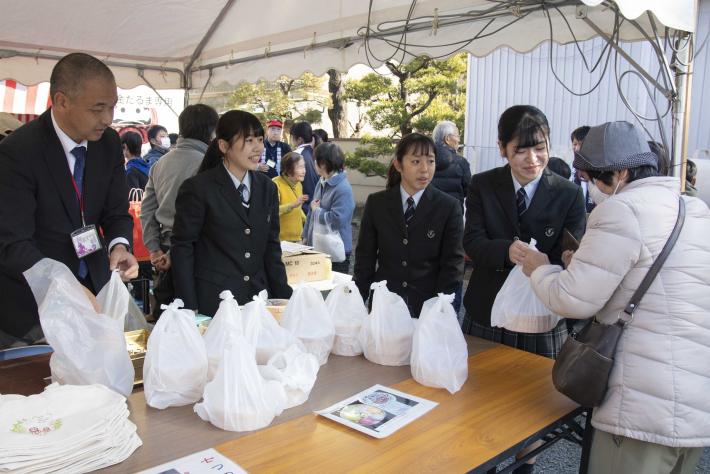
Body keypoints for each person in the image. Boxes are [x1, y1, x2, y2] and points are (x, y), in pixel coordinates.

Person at [522, 121, 710, 474]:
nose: (591, 186)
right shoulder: (693, 211)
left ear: (621, 172)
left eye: (594, 178)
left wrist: (539, 268)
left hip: (643, 405)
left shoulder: (622, 210)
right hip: (696, 400)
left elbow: (571, 299)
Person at [0, 52, 138, 347]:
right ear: (61, 101)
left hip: (95, 290)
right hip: (35, 308)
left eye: (112, 107)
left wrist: (119, 245)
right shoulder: (19, 152)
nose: (107, 119)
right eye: (97, 108)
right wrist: (63, 285)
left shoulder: (108, 143)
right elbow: (12, 244)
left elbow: (116, 210)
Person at [461, 105, 586, 355]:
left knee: (540, 391)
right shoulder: (483, 184)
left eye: (540, 148)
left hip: (542, 314)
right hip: (488, 308)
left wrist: (554, 262)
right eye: (521, 150)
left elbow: (574, 254)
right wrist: (505, 250)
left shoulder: (568, 193)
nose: (532, 159)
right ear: (502, 148)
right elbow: (472, 241)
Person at [171, 110, 292, 316]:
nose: (258, 148)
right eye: (249, 140)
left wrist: (284, 298)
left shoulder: (267, 188)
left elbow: (272, 247)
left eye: (260, 139)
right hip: (214, 301)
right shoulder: (199, 188)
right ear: (224, 146)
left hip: (257, 300)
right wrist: (188, 307)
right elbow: (183, 248)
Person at [354, 133, 464, 318]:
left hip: (427, 309)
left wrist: (442, 310)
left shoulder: (448, 207)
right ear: (398, 164)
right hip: (385, 306)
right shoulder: (377, 203)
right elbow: (365, 259)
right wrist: (356, 303)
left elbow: (453, 265)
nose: (425, 170)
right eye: (415, 162)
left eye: (430, 161)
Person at [140, 104, 219, 317]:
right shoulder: (209, 165)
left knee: (169, 321)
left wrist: (155, 249)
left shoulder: (160, 163)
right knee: (196, 324)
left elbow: (147, 210)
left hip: (165, 251)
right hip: (197, 254)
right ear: (211, 131)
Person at [430, 120, 471, 314]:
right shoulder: (460, 163)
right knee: (452, 270)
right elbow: (469, 192)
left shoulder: (424, 159)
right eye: (457, 135)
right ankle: (450, 315)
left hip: (425, 225)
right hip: (452, 227)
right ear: (448, 138)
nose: (459, 139)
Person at [303, 143, 355, 274]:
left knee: (334, 291)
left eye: (316, 160)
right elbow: (311, 211)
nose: (313, 163)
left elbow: (338, 219)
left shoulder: (343, 188)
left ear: (323, 164)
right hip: (318, 247)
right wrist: (305, 236)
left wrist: (317, 211)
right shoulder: (322, 181)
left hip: (336, 251)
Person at [272, 152, 308, 242]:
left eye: (304, 167)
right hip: (281, 241)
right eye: (300, 167)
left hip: (298, 238)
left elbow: (298, 209)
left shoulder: (298, 184)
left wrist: (308, 220)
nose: (304, 171)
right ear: (288, 169)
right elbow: (272, 211)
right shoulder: (275, 184)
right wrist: (293, 205)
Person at [290, 122, 319, 214]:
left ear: (299, 139)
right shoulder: (316, 152)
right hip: (317, 203)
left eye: (292, 137)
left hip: (302, 205)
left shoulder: (296, 154)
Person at [571, 125, 595, 213]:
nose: (576, 148)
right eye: (574, 144)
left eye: (580, 144)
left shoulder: (599, 170)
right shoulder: (571, 169)